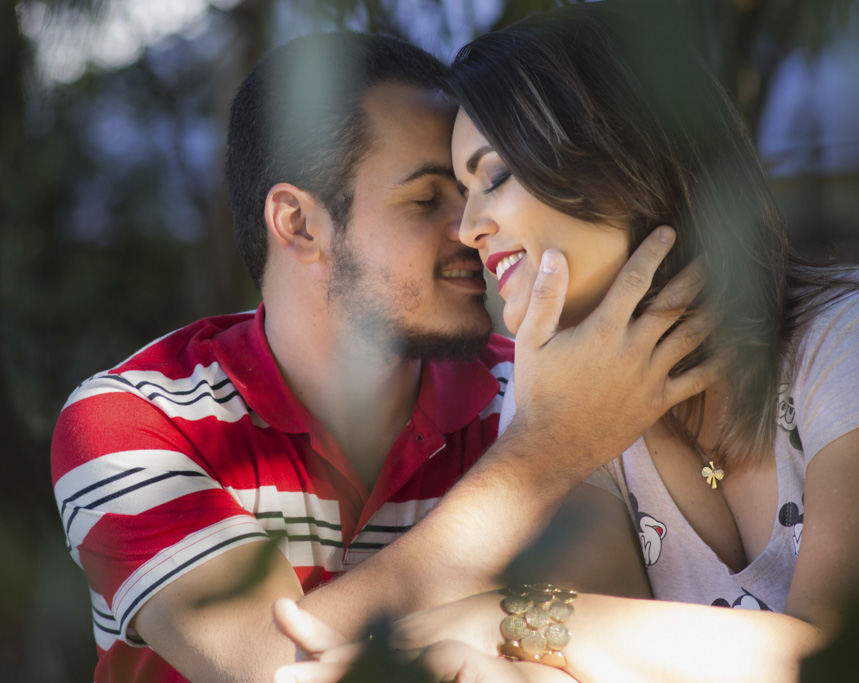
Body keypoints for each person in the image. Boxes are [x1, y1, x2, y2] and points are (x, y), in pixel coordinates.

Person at [272, 3, 859, 682]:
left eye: (495, 176)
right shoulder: (573, 406)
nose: (469, 228)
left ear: (621, 158)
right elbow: (569, 665)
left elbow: (842, 661)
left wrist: (495, 618)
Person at [51, 30, 719, 683]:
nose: (472, 229)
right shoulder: (133, 421)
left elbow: (600, 647)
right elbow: (273, 670)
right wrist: (544, 453)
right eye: (427, 198)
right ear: (299, 224)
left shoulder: (538, 387)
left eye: (475, 188)